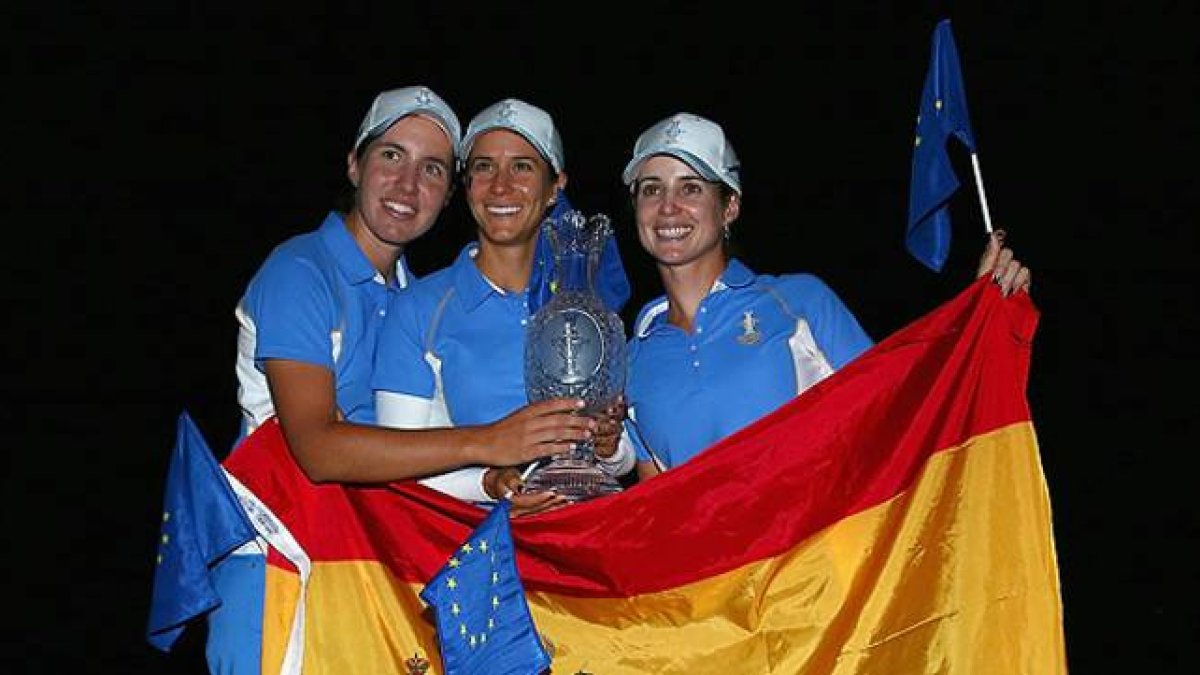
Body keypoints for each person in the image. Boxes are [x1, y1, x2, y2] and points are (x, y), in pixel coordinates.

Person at [209, 86, 596, 673]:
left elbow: (417, 459)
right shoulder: (301, 271)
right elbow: (315, 449)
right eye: (392, 156)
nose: (408, 185)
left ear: (447, 196)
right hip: (278, 563)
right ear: (354, 163)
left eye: (432, 169)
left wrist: (494, 481)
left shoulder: (411, 298)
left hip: (366, 572)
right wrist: (485, 442)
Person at [619, 112, 1031, 480]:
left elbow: (900, 404)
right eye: (651, 190)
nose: (668, 207)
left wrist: (974, 320)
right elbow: (655, 514)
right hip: (716, 567)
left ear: (730, 208)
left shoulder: (797, 302)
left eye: (691, 188)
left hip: (820, 562)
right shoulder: (630, 360)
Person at [373, 97, 634, 513]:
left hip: (589, 544)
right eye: (483, 167)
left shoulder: (586, 306)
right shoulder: (420, 309)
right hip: (481, 556)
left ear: (555, 187)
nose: (500, 185)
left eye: (523, 166)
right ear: (467, 186)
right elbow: (397, 466)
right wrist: (490, 483)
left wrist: (608, 445)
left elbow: (624, 456)